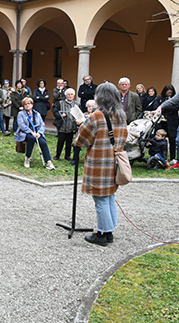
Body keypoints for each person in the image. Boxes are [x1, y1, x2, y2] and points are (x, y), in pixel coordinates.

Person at [75, 83, 128, 246]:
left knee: (100, 198)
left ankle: (102, 234)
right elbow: (124, 136)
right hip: (114, 162)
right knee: (110, 195)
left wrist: (80, 126)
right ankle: (109, 231)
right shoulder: (121, 115)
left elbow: (82, 140)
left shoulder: (97, 115)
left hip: (99, 162)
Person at [14, 96, 55, 170]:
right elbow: (21, 125)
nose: (27, 105)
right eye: (25, 104)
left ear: (32, 104)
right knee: (31, 138)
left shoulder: (37, 114)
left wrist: (39, 133)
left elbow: (42, 125)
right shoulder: (21, 114)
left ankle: (49, 161)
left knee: (43, 142)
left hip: (37, 133)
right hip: (25, 133)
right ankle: (27, 158)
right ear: (23, 106)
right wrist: (31, 132)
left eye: (29, 103)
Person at [53, 88, 81, 164]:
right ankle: (57, 155)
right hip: (62, 126)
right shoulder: (60, 103)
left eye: (71, 94)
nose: (70, 96)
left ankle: (67, 156)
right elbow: (55, 111)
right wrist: (60, 115)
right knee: (60, 141)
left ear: (74, 95)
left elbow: (79, 114)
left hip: (72, 126)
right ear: (65, 95)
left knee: (69, 142)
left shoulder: (77, 104)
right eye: (68, 94)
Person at [155, 84, 179, 161]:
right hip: (161, 122)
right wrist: (166, 108)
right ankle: (158, 156)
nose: (169, 94)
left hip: (172, 122)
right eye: (168, 92)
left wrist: (164, 107)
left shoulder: (175, 99)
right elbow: (157, 107)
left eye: (171, 93)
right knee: (159, 138)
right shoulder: (159, 98)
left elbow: (176, 108)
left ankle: (172, 158)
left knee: (172, 140)